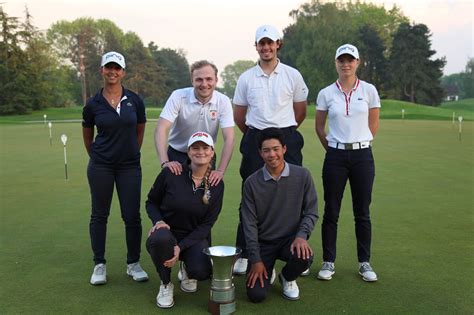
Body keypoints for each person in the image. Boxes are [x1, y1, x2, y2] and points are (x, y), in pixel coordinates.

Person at [233, 24, 309, 274]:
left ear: (278, 44)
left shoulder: (293, 75)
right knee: (250, 194)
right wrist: (260, 139)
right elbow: (240, 115)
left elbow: (300, 112)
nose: (266, 47)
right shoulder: (246, 78)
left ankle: (296, 251)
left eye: (270, 43)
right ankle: (243, 252)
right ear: (256, 46)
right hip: (255, 137)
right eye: (261, 43)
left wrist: (280, 138)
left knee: (293, 194)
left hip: (286, 135)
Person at [315, 44, 380, 282]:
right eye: (341, 60)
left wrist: (359, 143)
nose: (346, 64)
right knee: (331, 210)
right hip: (335, 157)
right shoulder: (326, 93)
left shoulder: (369, 90)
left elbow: (373, 125)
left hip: (363, 156)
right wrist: (335, 148)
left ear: (357, 62)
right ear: (336, 63)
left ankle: (364, 262)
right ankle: (328, 262)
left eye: (350, 60)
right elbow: (319, 128)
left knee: (362, 212)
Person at [82, 51, 148, 285]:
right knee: (99, 215)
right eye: (108, 67)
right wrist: (99, 157)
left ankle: (133, 263)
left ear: (123, 72)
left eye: (117, 68)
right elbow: (88, 134)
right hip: (101, 166)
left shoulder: (135, 100)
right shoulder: (93, 104)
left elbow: (139, 129)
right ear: (102, 70)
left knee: (132, 216)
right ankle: (99, 264)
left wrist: (131, 151)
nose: (112, 71)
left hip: (129, 166)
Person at [145, 132, 224, 309]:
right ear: (188, 152)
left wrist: (181, 247)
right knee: (160, 239)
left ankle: (187, 268)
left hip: (193, 236)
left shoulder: (217, 183)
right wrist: (158, 221)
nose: (200, 152)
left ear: (212, 152)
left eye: (205, 148)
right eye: (195, 148)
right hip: (168, 232)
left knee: (202, 271)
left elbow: (207, 225)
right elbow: (151, 202)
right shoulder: (171, 173)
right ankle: (166, 283)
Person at [240, 128, 318, 302]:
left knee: (304, 256)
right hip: (263, 244)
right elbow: (249, 224)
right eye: (266, 150)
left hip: (290, 241)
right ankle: (267, 269)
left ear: (284, 149)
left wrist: (301, 236)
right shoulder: (251, 183)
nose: (272, 154)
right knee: (256, 295)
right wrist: (255, 260)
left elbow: (311, 212)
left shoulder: (303, 175)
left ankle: (287, 278)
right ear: (260, 153)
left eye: (276, 149)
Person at [154, 60, 234, 186]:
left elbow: (229, 138)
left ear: (216, 80)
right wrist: (165, 162)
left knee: (203, 199)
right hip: (177, 154)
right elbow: (161, 129)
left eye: (209, 79)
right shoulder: (178, 96)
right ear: (192, 80)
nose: (204, 84)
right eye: (199, 79)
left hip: (206, 155)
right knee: (173, 198)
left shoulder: (223, 101)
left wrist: (220, 170)